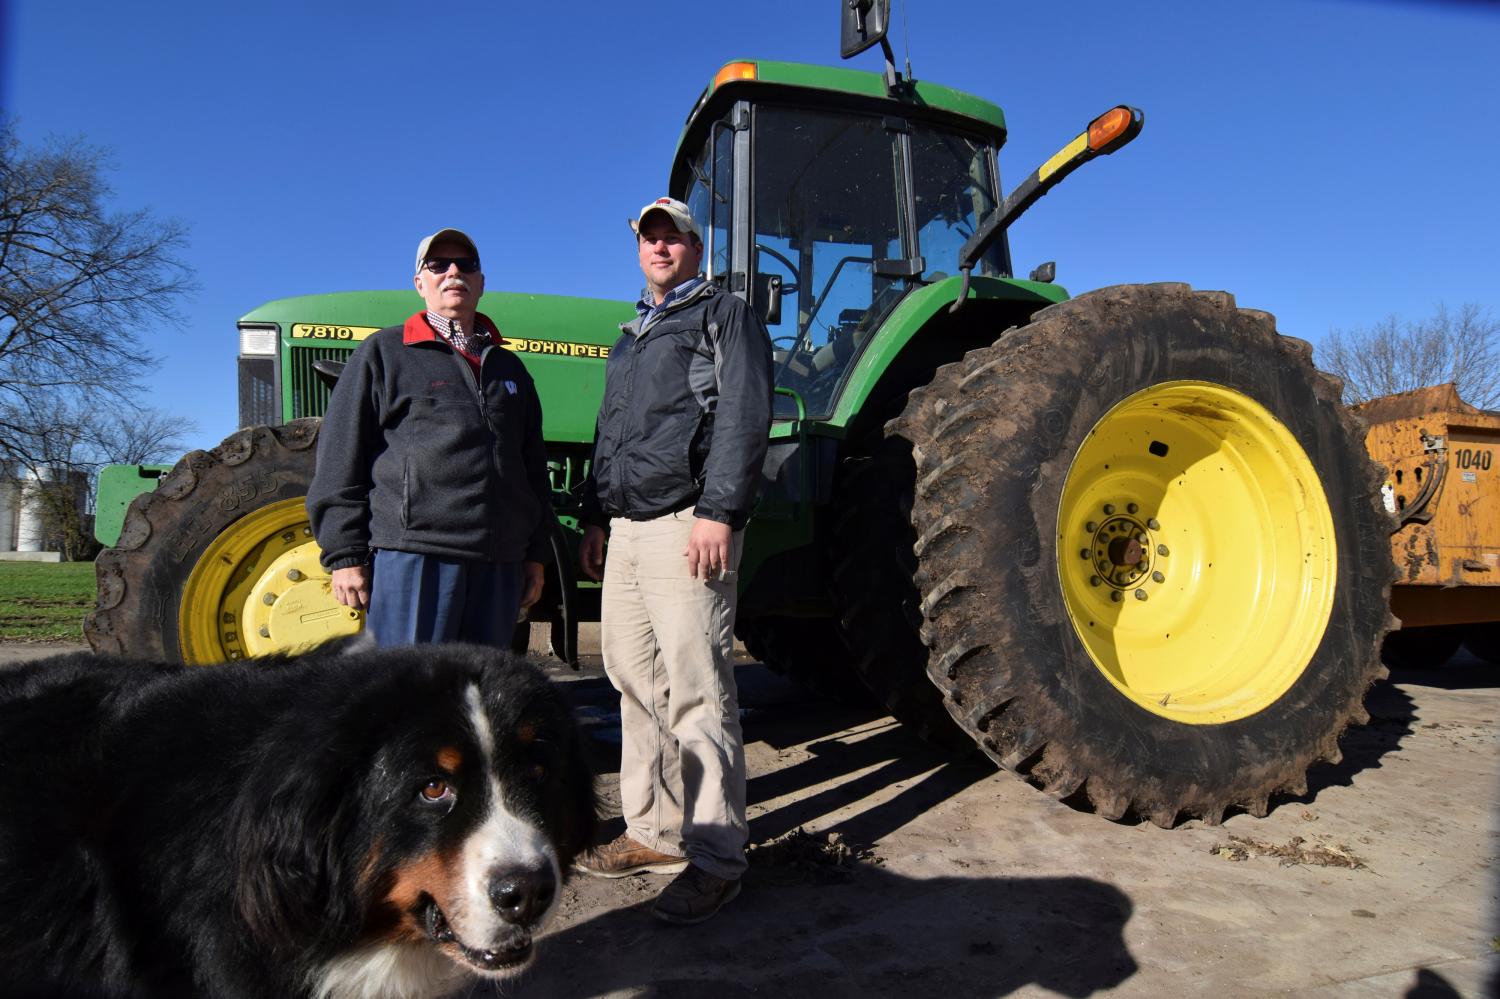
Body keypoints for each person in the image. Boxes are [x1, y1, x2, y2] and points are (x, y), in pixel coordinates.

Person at [574, 197, 773, 925]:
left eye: (674, 236)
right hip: (627, 528)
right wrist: (597, 515)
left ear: (695, 246)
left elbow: (746, 411)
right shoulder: (630, 337)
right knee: (631, 680)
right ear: (639, 250)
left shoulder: (723, 314)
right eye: (649, 237)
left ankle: (718, 857)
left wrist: (719, 510)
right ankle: (654, 829)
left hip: (688, 521)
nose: (661, 246)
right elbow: (609, 434)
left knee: (697, 690)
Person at [306, 228, 549, 646]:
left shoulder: (510, 369)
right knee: (410, 697)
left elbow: (532, 470)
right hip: (416, 557)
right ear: (420, 283)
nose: (453, 272)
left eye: (465, 264)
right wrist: (345, 555)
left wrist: (535, 554)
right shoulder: (384, 354)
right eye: (438, 265)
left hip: (499, 563)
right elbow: (340, 456)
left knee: (479, 698)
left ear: (481, 282)